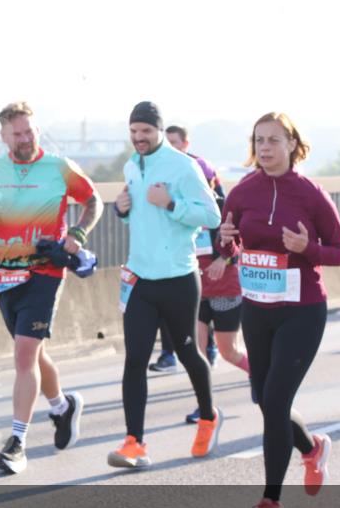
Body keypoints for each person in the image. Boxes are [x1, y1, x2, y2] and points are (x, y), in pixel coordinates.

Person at [218, 112, 340, 508]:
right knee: (263, 397)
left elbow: (338, 252)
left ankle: (271, 504)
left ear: (292, 144)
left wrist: (308, 247)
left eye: (274, 139)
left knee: (274, 401)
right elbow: (233, 239)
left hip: (302, 310)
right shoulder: (243, 190)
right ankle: (311, 448)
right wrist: (226, 239)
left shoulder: (311, 194)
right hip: (257, 308)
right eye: (260, 140)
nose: (266, 147)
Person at [0, 101, 101, 474]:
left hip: (46, 272)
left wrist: (79, 233)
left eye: (29, 131)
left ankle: (17, 443)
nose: (24, 139)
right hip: (6, 275)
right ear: (4, 136)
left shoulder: (59, 167)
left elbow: (93, 200)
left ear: (38, 131)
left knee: (23, 355)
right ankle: (63, 407)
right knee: (33, 354)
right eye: (16, 133)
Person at [108, 102, 223, 469]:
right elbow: (140, 220)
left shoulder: (183, 166)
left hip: (178, 278)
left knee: (189, 353)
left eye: (146, 132)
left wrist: (172, 202)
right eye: (134, 132)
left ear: (158, 131)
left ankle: (208, 416)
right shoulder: (131, 165)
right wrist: (123, 210)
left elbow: (211, 215)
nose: (139, 138)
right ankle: (133, 443)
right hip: (141, 279)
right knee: (135, 360)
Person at [164, 125, 252, 423]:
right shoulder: (183, 208)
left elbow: (239, 244)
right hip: (197, 288)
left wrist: (223, 261)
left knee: (229, 352)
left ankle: (262, 378)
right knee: (197, 352)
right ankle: (204, 407)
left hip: (226, 288)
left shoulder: (223, 207)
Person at [149, 125, 226, 374]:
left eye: (175, 142)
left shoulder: (198, 166)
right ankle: (168, 353)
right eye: (167, 142)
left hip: (204, 247)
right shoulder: (160, 167)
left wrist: (222, 255)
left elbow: (219, 210)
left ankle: (209, 348)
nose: (171, 147)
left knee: (204, 307)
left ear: (186, 143)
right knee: (166, 307)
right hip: (176, 249)